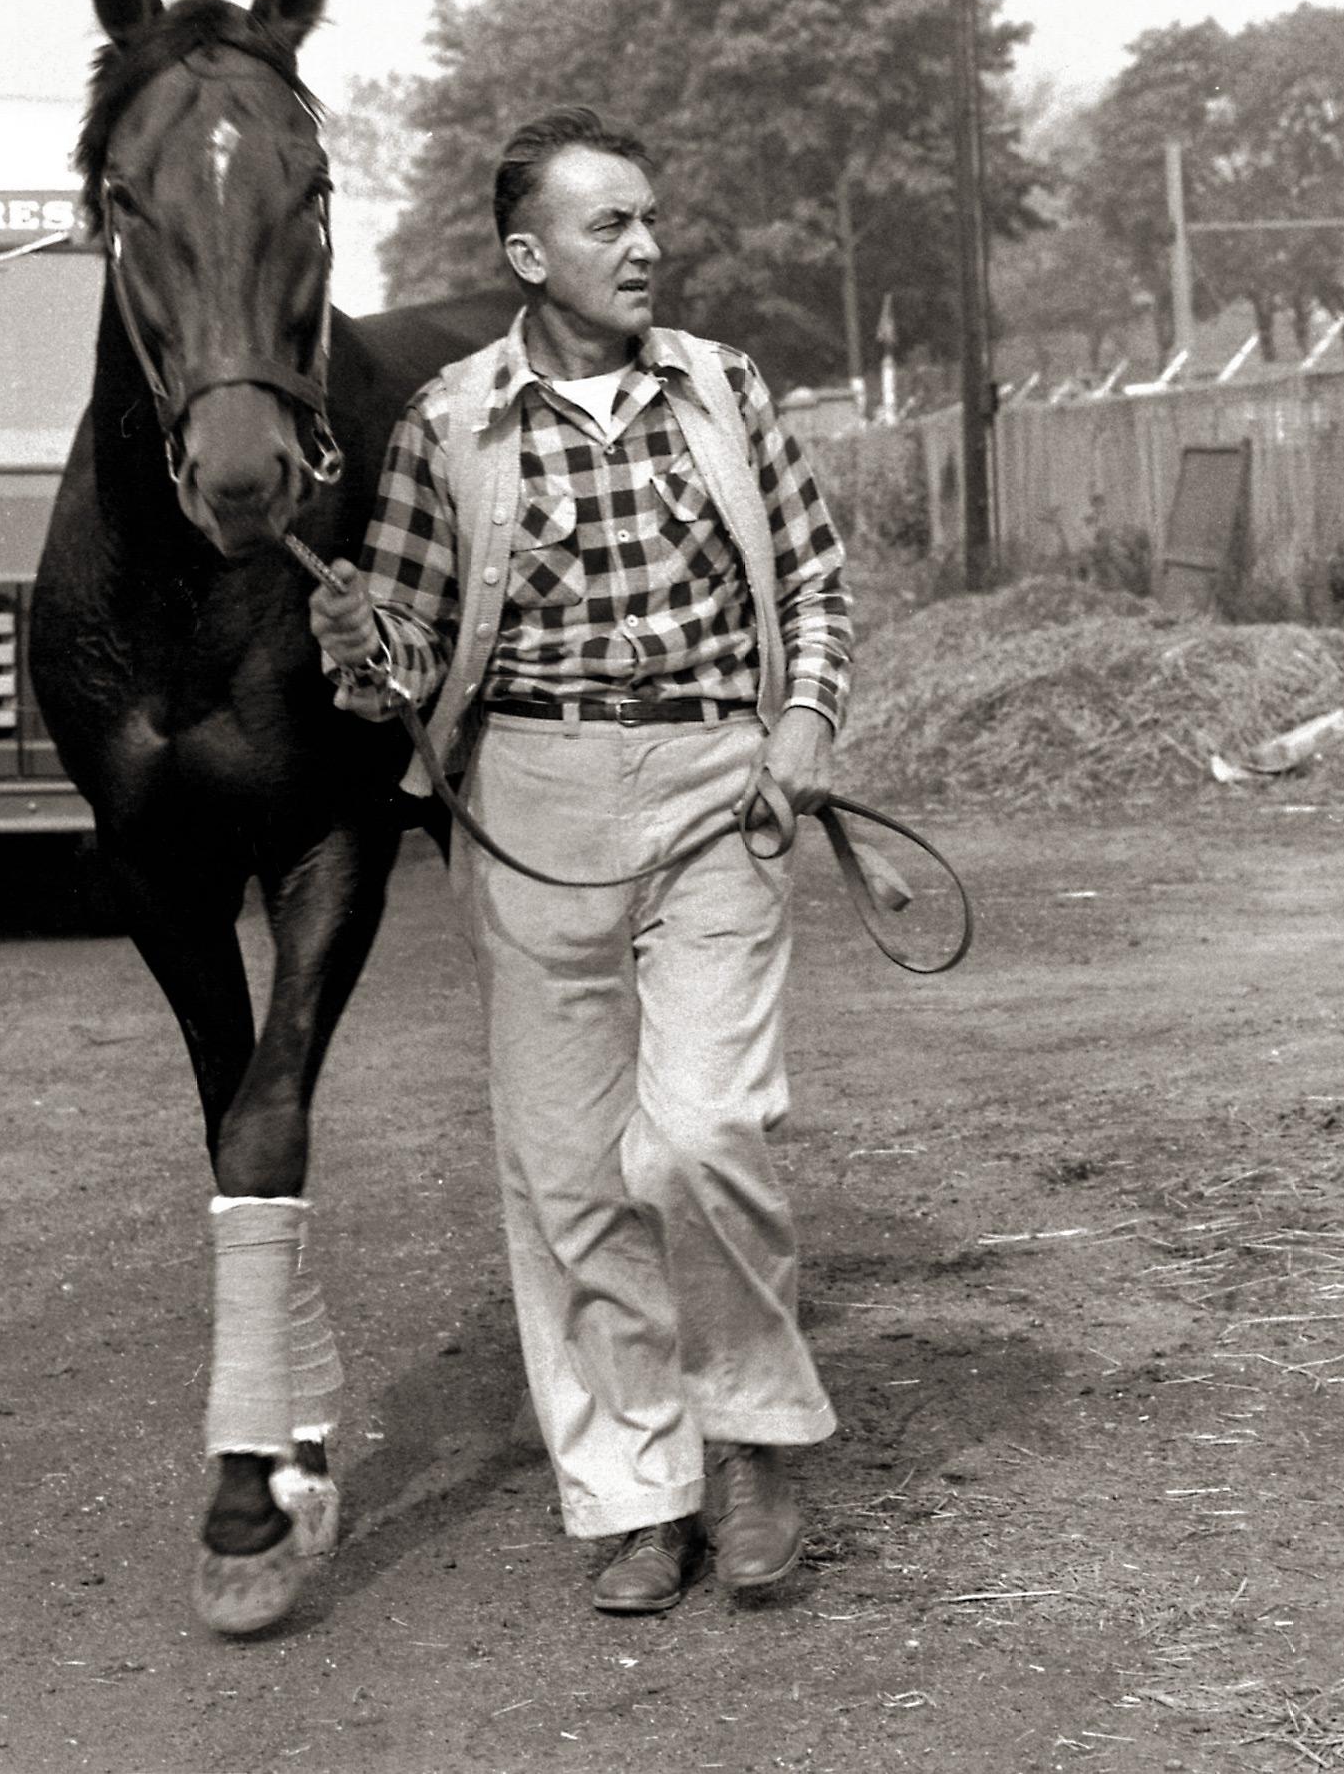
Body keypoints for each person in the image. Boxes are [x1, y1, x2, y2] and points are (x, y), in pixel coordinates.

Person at [306, 106, 851, 1616]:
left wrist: (803, 726)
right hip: (530, 795)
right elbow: (410, 648)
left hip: (713, 784)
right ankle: (637, 1487)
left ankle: (750, 1436)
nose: (648, 247)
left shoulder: (723, 390)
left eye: (651, 220)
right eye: (611, 226)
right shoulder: (448, 423)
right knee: (568, 1171)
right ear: (526, 253)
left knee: (698, 1133)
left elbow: (811, 574)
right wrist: (362, 645)